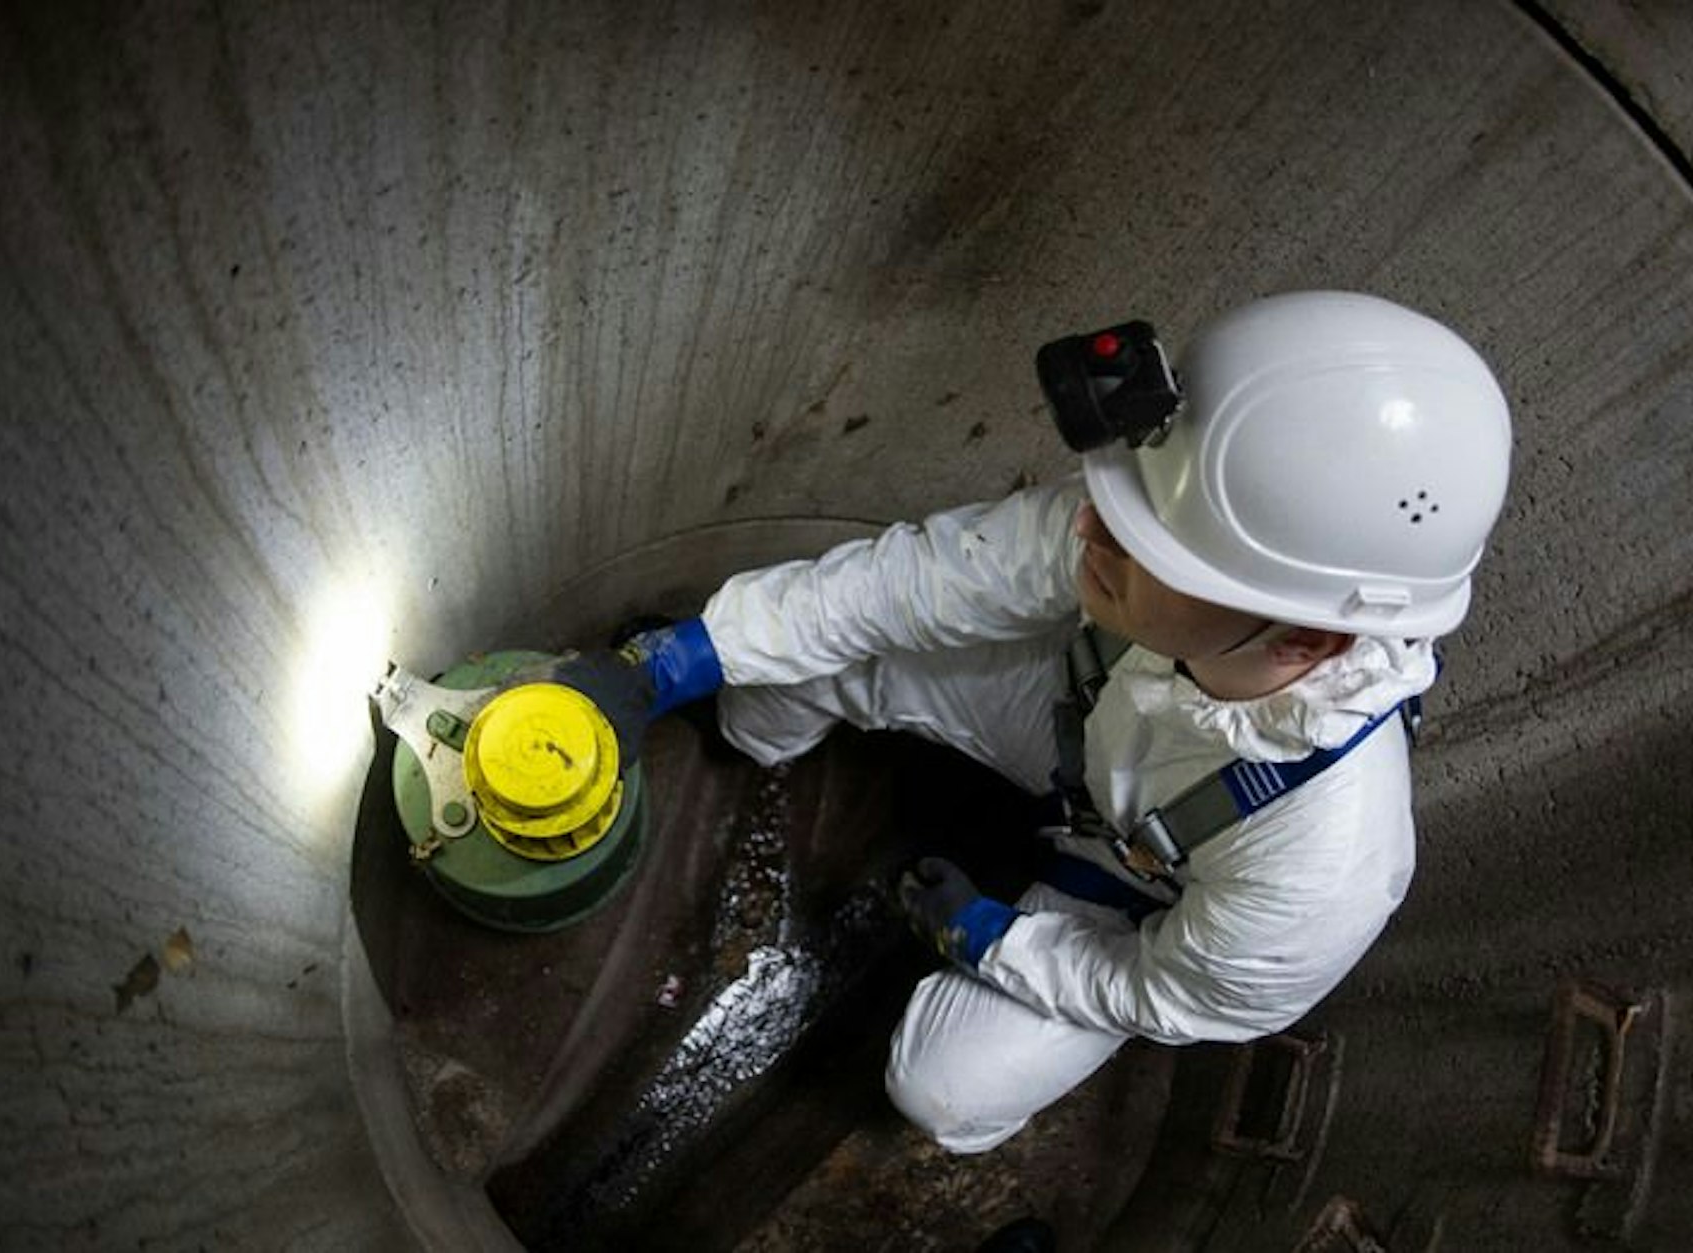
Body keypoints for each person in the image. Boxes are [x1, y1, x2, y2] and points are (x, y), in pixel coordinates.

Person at [576, 291, 1513, 1154]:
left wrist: (993, 938)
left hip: (1140, 886)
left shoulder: (1324, 865)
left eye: (1149, 545)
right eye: (1124, 503)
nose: (1092, 530)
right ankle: (750, 743)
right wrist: (685, 657)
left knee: (939, 1087)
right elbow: (913, 587)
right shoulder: (1150, 530)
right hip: (1082, 716)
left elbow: (1167, 989)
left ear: (1302, 641)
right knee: (831, 650)